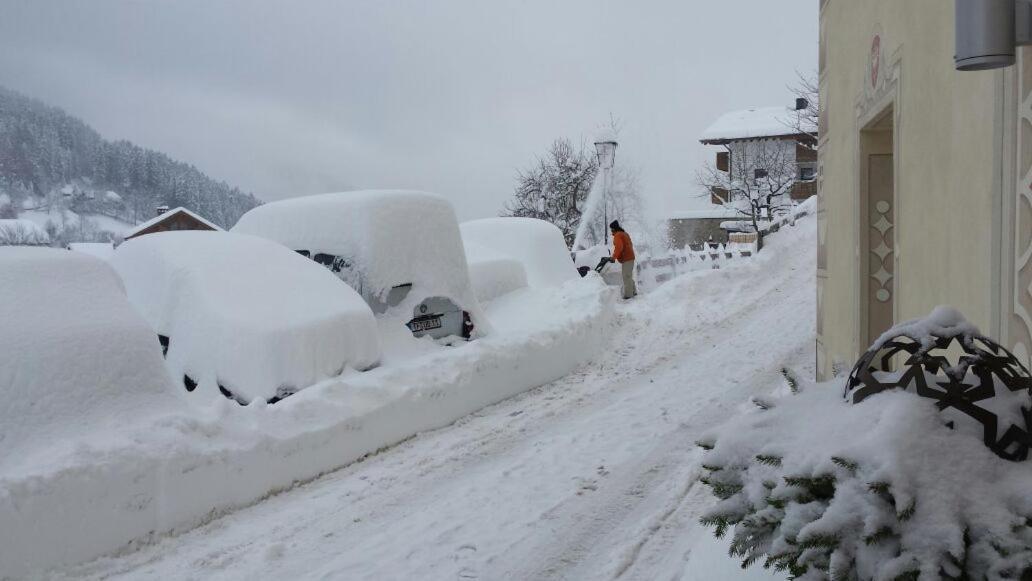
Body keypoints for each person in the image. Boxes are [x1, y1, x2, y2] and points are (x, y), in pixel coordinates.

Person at [609, 220, 637, 299]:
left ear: (614, 228)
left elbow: (619, 247)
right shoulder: (624, 234)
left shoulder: (618, 235)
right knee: (628, 276)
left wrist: (614, 257)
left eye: (611, 229)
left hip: (627, 258)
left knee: (626, 276)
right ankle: (633, 291)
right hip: (630, 257)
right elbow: (629, 245)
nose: (611, 230)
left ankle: (628, 295)